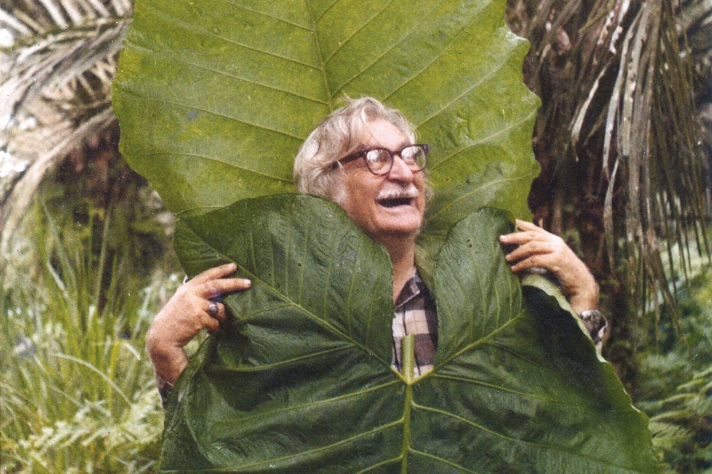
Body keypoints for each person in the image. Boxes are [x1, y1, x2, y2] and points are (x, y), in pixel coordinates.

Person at [147, 97, 607, 397]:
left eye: (411, 156)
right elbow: (228, 442)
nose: (404, 172)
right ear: (328, 188)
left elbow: (551, 418)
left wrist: (582, 299)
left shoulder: (478, 297)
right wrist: (165, 349)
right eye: (377, 158)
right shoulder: (277, 306)